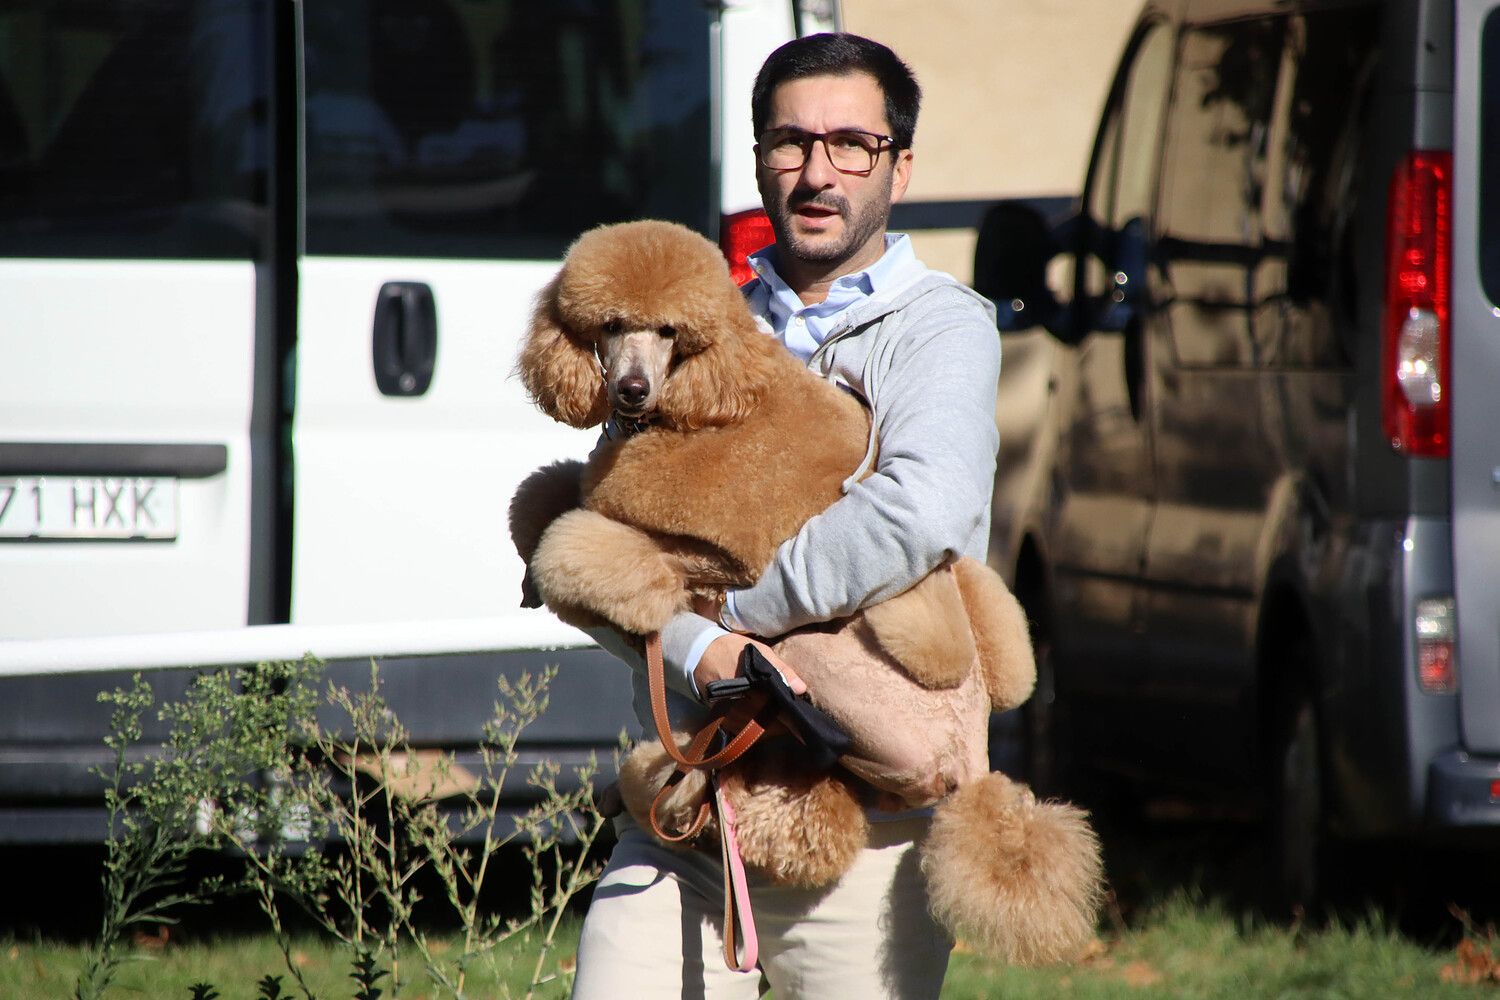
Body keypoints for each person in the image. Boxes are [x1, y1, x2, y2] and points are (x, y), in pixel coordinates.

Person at [570, 32, 1001, 1000]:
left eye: (853, 143)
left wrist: (737, 613)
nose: (817, 171)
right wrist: (695, 649)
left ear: (900, 164)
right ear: (758, 157)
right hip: (686, 800)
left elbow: (918, 511)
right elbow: (607, 539)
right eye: (789, 143)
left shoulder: (941, 327)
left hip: (869, 816)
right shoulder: (691, 317)